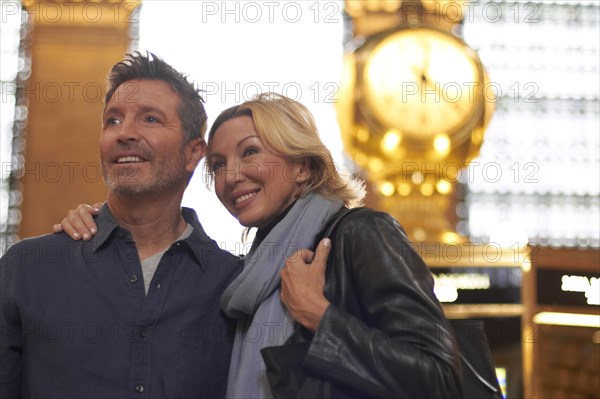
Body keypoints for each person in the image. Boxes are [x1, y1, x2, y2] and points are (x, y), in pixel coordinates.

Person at [55, 93, 463, 398]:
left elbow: (441, 378)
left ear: (302, 165)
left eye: (250, 152)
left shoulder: (360, 235)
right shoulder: (250, 274)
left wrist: (320, 315)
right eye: (217, 165)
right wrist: (107, 220)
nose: (231, 176)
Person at [0, 52, 241, 399]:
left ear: (193, 153)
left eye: (150, 119)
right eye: (112, 121)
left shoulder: (233, 285)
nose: (124, 133)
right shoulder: (26, 269)